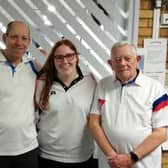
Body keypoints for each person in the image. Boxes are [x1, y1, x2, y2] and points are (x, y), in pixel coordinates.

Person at [89, 41, 168, 168]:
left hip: (143, 163)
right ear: (111, 64)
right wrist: (113, 157)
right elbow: (93, 123)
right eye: (117, 60)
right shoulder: (103, 85)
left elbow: (161, 134)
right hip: (110, 163)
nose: (122, 63)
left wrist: (131, 157)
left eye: (127, 58)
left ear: (137, 60)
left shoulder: (156, 89)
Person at [35, 39, 98, 168]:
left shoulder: (90, 81)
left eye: (69, 55)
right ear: (53, 60)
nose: (65, 61)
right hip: (48, 156)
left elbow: (96, 117)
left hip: (82, 156)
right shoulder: (42, 82)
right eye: (59, 57)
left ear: (76, 57)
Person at [0, 21, 43, 168]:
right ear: (4, 37)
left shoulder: (33, 66)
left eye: (24, 38)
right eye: (14, 37)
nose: (19, 42)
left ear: (29, 42)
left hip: (28, 149)